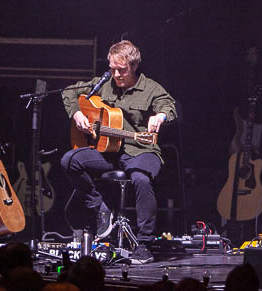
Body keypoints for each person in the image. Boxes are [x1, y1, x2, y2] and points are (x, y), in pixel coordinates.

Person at [60, 40, 177, 265]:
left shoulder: (151, 87)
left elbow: (169, 106)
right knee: (70, 161)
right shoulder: (104, 83)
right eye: (112, 68)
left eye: (121, 70)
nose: (116, 74)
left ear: (133, 66)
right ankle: (100, 208)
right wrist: (76, 114)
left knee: (141, 179)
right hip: (108, 151)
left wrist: (160, 116)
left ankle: (144, 243)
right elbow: (69, 92)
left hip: (141, 149)